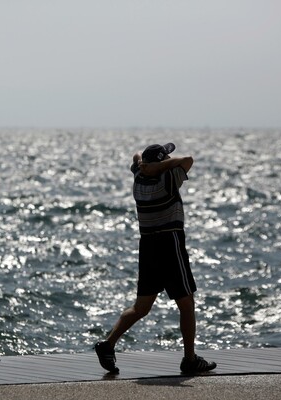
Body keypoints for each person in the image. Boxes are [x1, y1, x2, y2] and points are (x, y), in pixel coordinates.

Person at [94, 142, 216, 375]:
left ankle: (107, 344)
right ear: (161, 164)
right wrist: (161, 166)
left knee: (141, 307)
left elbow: (136, 155)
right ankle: (190, 360)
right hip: (169, 243)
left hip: (147, 246)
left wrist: (145, 164)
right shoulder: (167, 181)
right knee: (186, 303)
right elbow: (187, 159)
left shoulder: (139, 179)